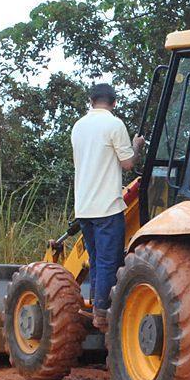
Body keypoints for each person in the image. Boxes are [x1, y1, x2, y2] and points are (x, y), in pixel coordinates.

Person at [72, 83, 145, 332]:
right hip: (107, 207)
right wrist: (137, 146)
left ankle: (96, 307)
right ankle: (102, 313)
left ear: (91, 101)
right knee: (109, 261)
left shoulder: (78, 126)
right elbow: (127, 164)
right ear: (114, 103)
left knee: (95, 259)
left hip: (83, 206)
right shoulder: (114, 125)